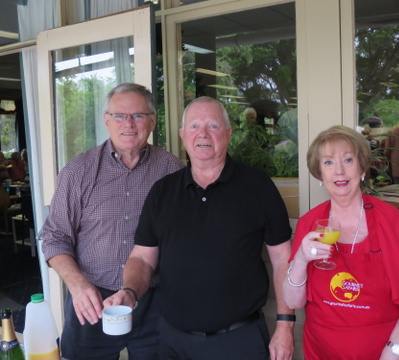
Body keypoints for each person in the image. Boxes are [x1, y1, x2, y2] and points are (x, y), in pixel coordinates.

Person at [105, 96, 295, 360]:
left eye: (213, 126)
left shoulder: (258, 187)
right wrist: (129, 291)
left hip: (240, 342)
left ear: (228, 134)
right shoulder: (162, 192)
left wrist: (285, 326)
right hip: (173, 343)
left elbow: (284, 260)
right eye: (194, 126)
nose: (203, 134)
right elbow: (141, 258)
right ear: (183, 135)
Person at [41, 83, 185, 360]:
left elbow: (185, 235)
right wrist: (77, 285)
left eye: (138, 115)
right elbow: (54, 237)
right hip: (92, 300)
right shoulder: (78, 171)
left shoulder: (172, 170)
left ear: (152, 121)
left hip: (154, 301)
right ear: (106, 121)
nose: (128, 123)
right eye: (119, 115)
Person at [282, 125, 399, 360]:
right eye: (328, 162)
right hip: (322, 352)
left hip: (385, 353)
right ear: (320, 173)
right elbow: (293, 301)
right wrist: (300, 259)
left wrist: (393, 352)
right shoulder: (310, 223)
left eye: (348, 160)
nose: (339, 171)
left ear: (362, 168)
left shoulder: (391, 220)